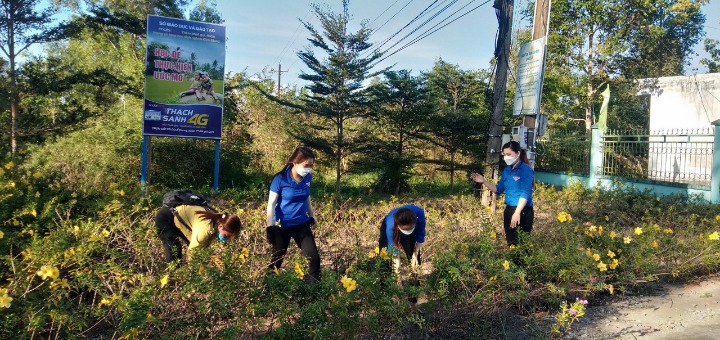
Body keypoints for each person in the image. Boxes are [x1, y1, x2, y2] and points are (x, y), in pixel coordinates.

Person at [266, 147, 320, 283]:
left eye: (311, 166)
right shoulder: (280, 179)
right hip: (282, 226)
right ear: (295, 163)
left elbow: (306, 197)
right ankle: (267, 288)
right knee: (277, 261)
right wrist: (269, 227)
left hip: (301, 224)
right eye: (306, 165)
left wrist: (311, 215)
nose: (308, 169)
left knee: (314, 258)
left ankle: (314, 289)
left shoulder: (307, 177)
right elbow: (271, 204)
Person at [471, 141, 534, 246]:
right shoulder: (507, 170)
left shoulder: (526, 170)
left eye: (509, 154)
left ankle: (521, 263)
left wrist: (517, 213)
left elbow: (525, 193)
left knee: (522, 245)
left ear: (517, 154)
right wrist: (484, 181)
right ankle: (513, 262)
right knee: (511, 243)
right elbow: (498, 189)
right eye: (504, 155)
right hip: (509, 210)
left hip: (522, 211)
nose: (506, 157)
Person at [379, 204, 426, 312]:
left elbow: (420, 236)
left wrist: (415, 254)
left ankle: (413, 304)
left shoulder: (419, 214)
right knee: (384, 263)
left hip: (411, 233)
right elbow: (394, 254)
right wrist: (397, 275)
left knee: (415, 267)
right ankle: (386, 303)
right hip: (392, 231)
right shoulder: (390, 224)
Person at [155, 204, 242, 263]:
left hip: (180, 220)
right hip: (166, 218)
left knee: (199, 252)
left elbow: (202, 250)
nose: (226, 239)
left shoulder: (216, 222)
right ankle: (170, 283)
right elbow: (193, 253)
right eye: (226, 236)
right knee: (174, 251)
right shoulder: (205, 229)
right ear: (220, 227)